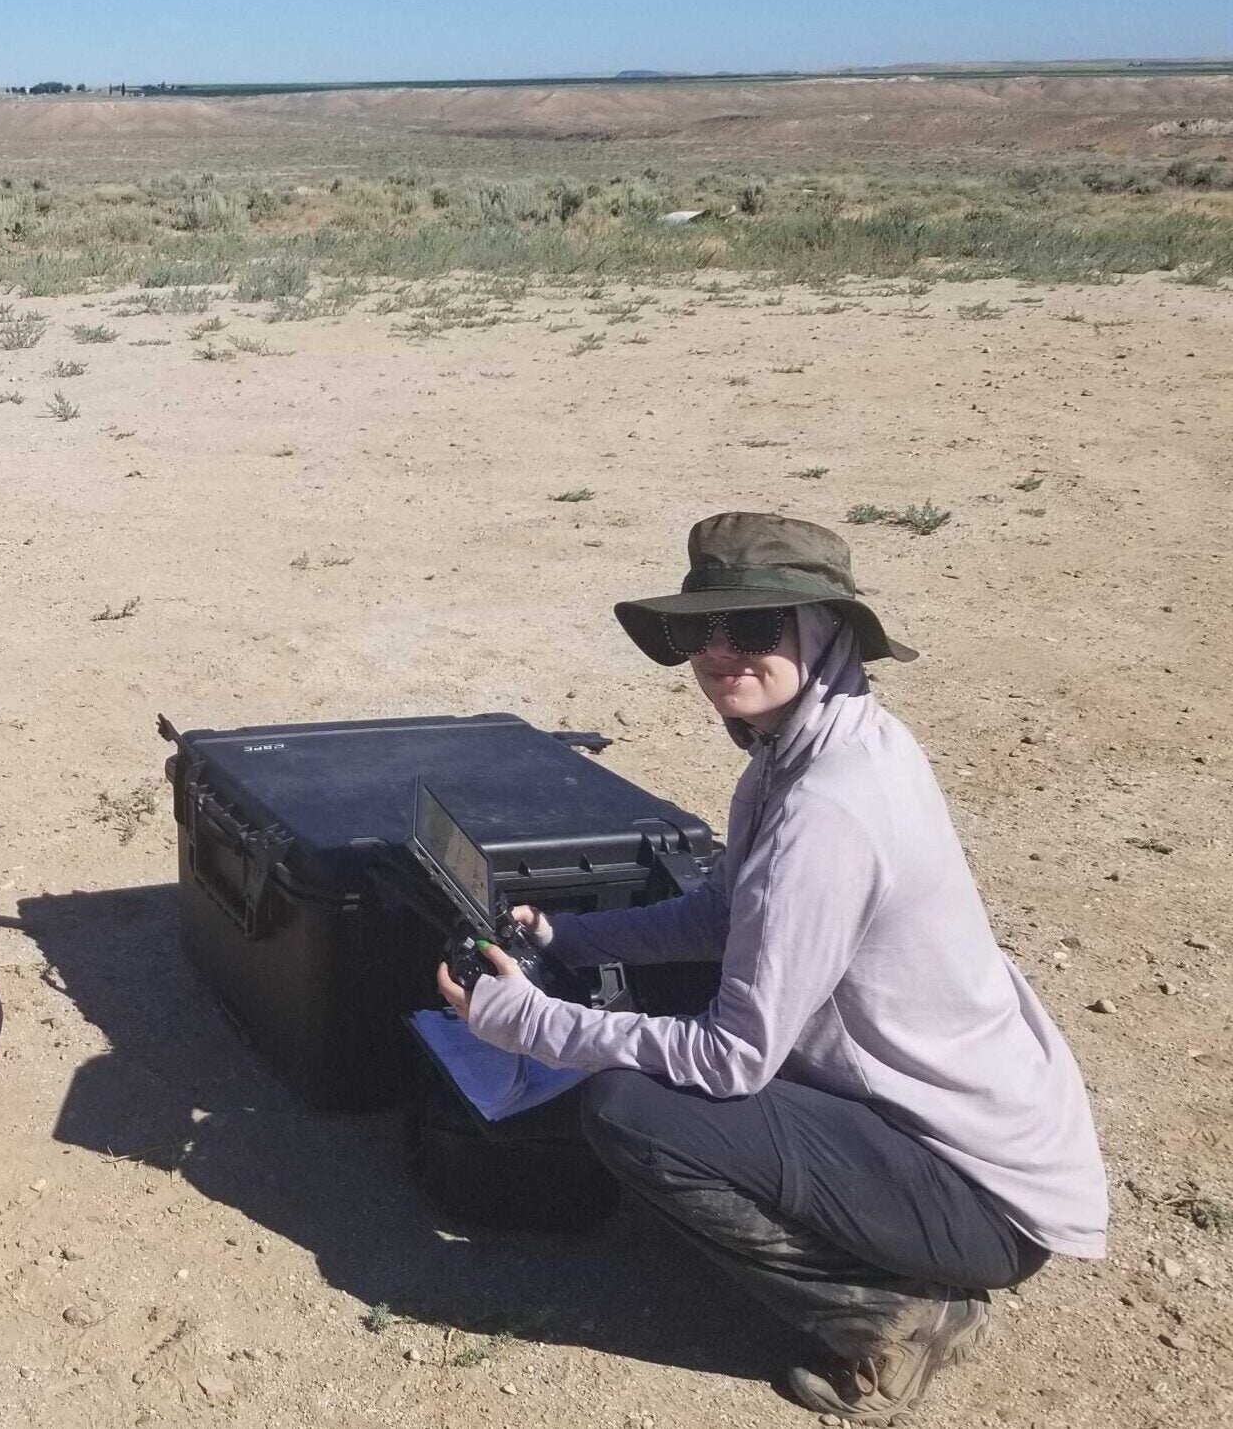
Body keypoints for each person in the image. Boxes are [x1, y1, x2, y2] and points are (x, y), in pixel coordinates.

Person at [435, 512, 1107, 1424]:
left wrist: (529, 1024)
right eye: (698, 631)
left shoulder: (828, 807)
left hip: (978, 1194)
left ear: (825, 631)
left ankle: (900, 1319)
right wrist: (573, 944)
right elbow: (727, 914)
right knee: (662, 1009)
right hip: (942, 1131)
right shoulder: (816, 743)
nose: (721, 655)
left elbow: (732, 1060)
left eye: (755, 629)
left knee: (631, 1110)